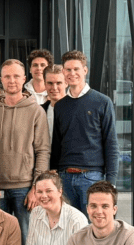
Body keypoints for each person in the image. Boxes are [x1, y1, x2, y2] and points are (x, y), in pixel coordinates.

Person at [0, 59, 50, 240]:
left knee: (28, 240)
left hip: (25, 187)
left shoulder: (36, 111)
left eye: (16, 76)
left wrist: (36, 187)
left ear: (24, 79)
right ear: (1, 79)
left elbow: (43, 151)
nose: (11, 80)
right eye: (7, 76)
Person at [51, 50, 119, 214]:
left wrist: (110, 182)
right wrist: (53, 173)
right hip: (65, 177)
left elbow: (111, 143)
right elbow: (57, 143)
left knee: (93, 224)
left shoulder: (102, 102)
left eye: (76, 69)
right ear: (63, 72)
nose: (72, 73)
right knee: (68, 225)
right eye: (68, 69)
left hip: (92, 177)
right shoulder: (60, 106)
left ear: (85, 70)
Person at [41, 65, 66, 142]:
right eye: (50, 83)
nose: (54, 88)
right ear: (45, 84)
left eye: (58, 83)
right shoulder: (40, 111)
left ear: (66, 83)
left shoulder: (76, 109)